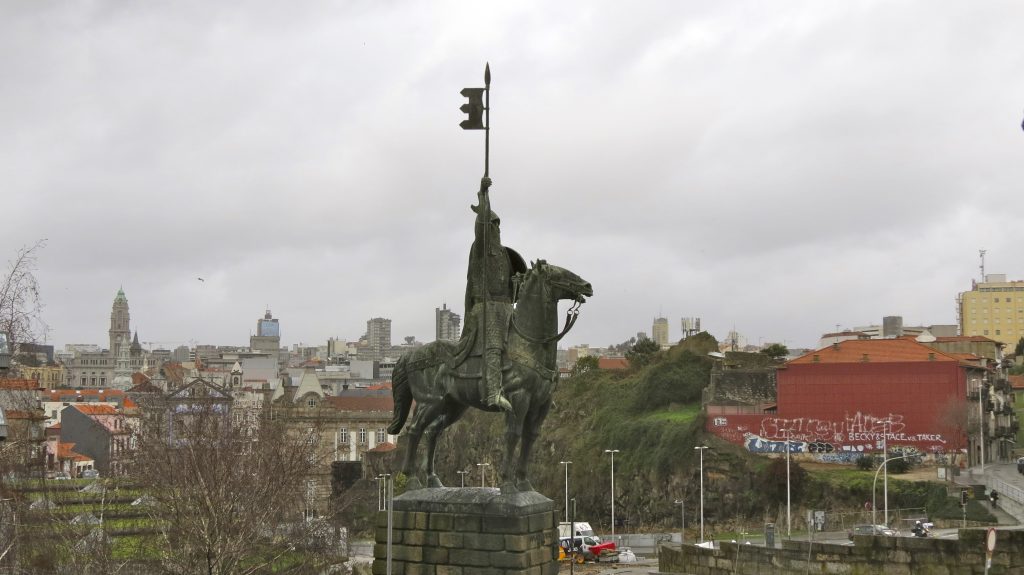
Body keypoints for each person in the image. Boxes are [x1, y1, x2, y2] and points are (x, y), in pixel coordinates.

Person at [461, 177, 516, 412]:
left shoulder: (504, 254)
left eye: (497, 225)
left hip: (505, 308)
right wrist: (484, 195)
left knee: (525, 342)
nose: (496, 228)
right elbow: (481, 226)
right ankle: (493, 392)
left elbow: (513, 285)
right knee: (493, 346)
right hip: (485, 309)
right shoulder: (481, 248)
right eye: (493, 225)